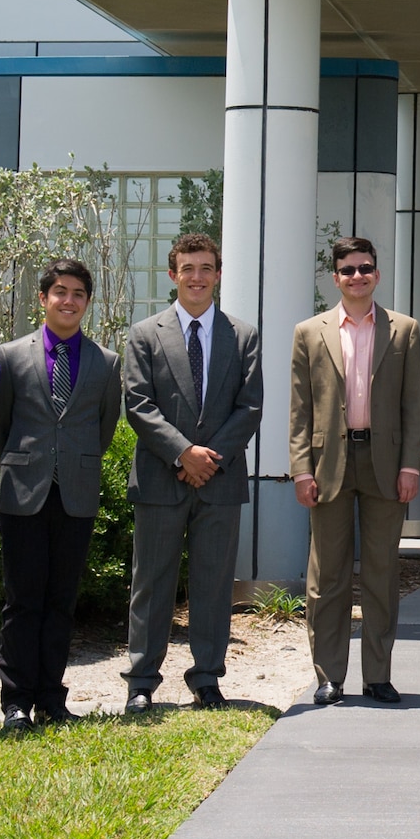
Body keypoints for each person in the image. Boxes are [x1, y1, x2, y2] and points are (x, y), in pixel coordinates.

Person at [121, 232, 263, 714]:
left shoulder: (242, 335)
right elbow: (138, 405)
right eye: (188, 268)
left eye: (206, 268)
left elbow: (249, 408)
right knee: (152, 584)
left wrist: (208, 459)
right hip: (162, 479)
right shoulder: (145, 334)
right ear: (172, 275)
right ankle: (141, 682)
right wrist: (184, 454)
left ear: (218, 274)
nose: (197, 277)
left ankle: (206, 679)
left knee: (213, 584)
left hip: (220, 482)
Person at [0, 259, 124, 731]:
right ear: (43, 299)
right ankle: (15, 703)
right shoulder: (9, 355)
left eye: (78, 294)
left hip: (76, 494)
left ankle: (52, 698)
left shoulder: (106, 363)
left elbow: (103, 430)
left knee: (62, 601)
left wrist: (71, 463)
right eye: (60, 292)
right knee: (22, 600)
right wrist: (28, 462)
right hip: (23, 492)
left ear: (88, 302)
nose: (69, 301)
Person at [292, 235, 420, 705]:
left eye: (365, 268)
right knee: (327, 576)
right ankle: (329, 676)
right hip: (328, 463)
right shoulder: (310, 332)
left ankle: (378, 675)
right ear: (336, 277)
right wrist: (300, 469)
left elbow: (413, 406)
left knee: (381, 572)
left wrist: (412, 465)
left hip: (385, 464)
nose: (357, 276)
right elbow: (301, 409)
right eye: (347, 270)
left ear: (377, 274)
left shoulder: (404, 330)